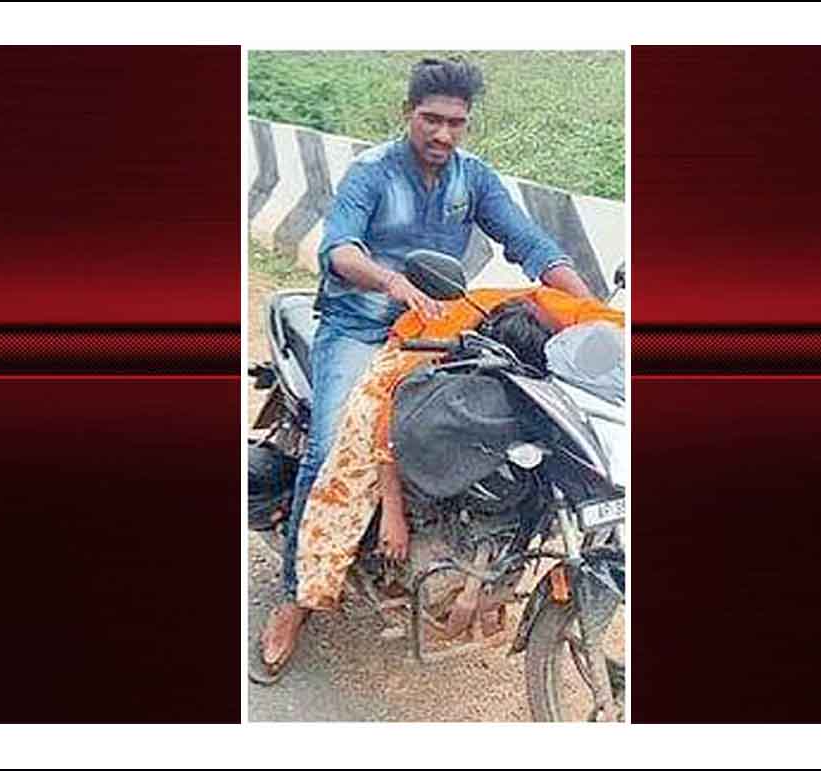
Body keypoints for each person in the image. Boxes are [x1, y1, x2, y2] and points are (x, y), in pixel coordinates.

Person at [267, 56, 595, 666]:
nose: (443, 133)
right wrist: (391, 281)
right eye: (431, 119)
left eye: (456, 122)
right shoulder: (372, 173)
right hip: (359, 325)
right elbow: (339, 249)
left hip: (436, 325)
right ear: (408, 114)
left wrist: (593, 315)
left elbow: (532, 246)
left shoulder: (473, 179)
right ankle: (296, 597)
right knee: (333, 446)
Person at [258, 286, 622, 681]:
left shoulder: (550, 309)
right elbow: (387, 424)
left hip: (497, 363)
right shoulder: (434, 353)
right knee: (338, 471)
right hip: (400, 352)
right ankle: (296, 602)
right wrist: (393, 513)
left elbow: (609, 325)